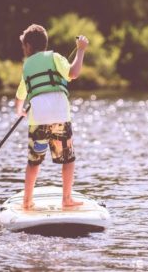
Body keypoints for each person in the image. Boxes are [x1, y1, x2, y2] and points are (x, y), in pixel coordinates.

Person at [14, 23, 88, 210]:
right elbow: (74, 73)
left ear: (29, 46)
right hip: (59, 117)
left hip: (37, 119)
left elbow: (20, 96)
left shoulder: (26, 66)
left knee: (34, 162)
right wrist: (80, 51)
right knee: (68, 159)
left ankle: (27, 201)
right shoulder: (55, 57)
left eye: (24, 46)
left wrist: (20, 111)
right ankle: (67, 199)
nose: (23, 50)